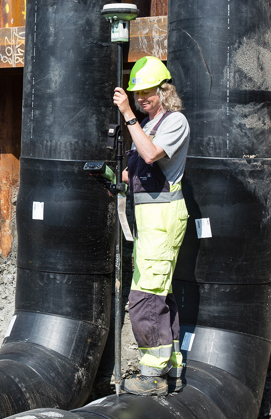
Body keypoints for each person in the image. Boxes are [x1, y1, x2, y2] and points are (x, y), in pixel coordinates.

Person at [113, 56, 190, 396]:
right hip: (147, 220)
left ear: (164, 91)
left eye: (147, 93)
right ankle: (170, 370)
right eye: (137, 93)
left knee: (145, 296)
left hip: (163, 218)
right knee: (159, 292)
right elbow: (136, 172)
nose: (141, 99)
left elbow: (149, 156)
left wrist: (128, 114)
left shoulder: (175, 122)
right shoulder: (146, 126)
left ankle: (152, 376)